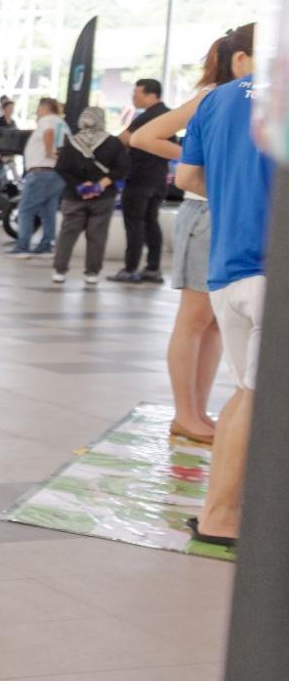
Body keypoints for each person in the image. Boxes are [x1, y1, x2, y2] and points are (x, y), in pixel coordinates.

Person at [175, 25, 267, 546]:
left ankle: (220, 513)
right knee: (255, 397)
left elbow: (187, 178)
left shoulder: (216, 100)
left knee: (247, 393)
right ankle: (223, 518)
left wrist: (235, 193)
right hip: (270, 267)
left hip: (228, 266)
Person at [130, 37, 234, 446]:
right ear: (239, 58)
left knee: (214, 324)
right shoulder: (213, 95)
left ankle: (197, 411)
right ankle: (185, 413)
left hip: (226, 215)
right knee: (195, 319)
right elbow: (143, 137)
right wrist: (188, 155)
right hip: (204, 212)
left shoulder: (244, 95)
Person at [50, 107, 126, 287]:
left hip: (75, 195)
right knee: (97, 235)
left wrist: (80, 185)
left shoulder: (71, 142)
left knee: (68, 234)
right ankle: (92, 272)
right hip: (103, 196)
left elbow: (61, 168)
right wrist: (100, 185)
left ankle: (59, 270)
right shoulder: (113, 143)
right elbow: (123, 168)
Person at [113, 78, 171, 283]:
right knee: (151, 223)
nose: (133, 98)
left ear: (151, 95)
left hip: (139, 178)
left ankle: (130, 268)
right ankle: (153, 268)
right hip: (158, 179)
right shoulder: (169, 115)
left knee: (134, 224)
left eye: (136, 94)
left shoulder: (147, 116)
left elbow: (123, 139)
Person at [8, 97, 67, 257]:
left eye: (38, 108)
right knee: (48, 211)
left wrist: (48, 151)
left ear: (45, 107)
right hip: (57, 174)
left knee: (26, 209)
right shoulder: (62, 123)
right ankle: (46, 245)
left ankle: (22, 247)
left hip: (41, 172)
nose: (37, 112)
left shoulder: (47, 120)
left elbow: (48, 133)